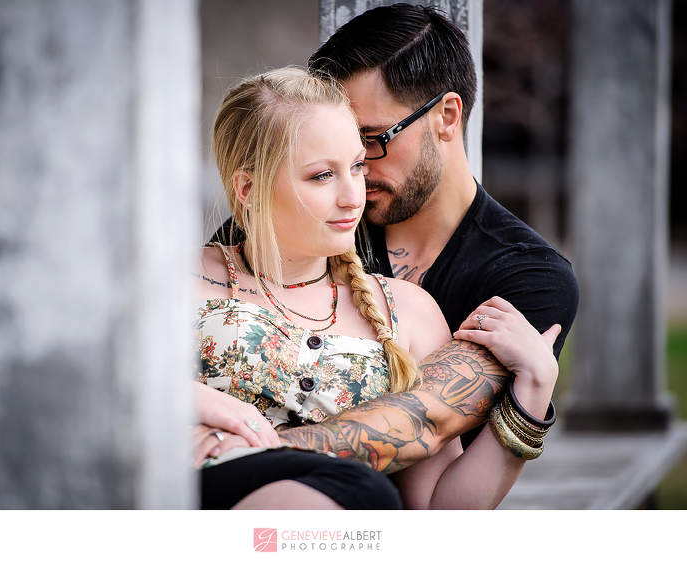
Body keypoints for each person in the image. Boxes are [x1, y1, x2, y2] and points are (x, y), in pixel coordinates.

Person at [214, 3, 580, 450]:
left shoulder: (528, 277)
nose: (355, 173)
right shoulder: (299, 221)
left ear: (446, 117)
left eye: (371, 140)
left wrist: (244, 448)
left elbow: (426, 420)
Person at [195, 66, 560, 510]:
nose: (354, 196)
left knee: (367, 498)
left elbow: (437, 513)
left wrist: (533, 393)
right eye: (321, 176)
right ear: (248, 188)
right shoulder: (180, 281)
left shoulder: (407, 311)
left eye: (356, 167)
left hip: (344, 519)